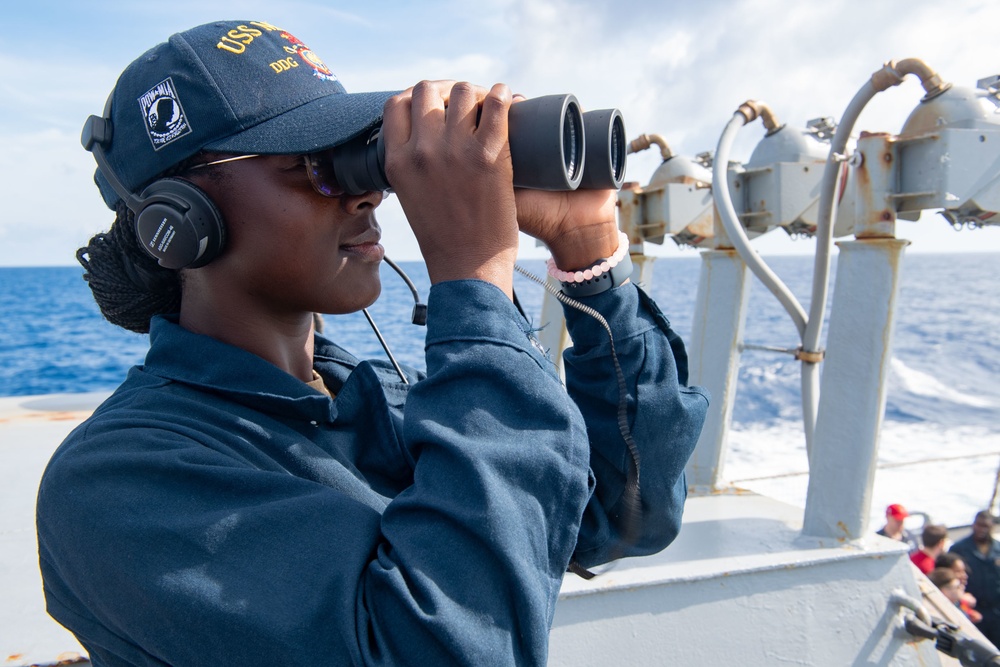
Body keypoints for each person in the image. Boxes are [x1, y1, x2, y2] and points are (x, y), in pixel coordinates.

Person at [34, 19, 709, 666]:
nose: (367, 198)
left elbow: (624, 516)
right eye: (317, 166)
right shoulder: (117, 480)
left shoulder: (377, 397)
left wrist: (589, 256)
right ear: (177, 221)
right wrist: (473, 282)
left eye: (362, 160)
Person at [951, 511, 1000, 647]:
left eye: (986, 526)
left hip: (997, 612)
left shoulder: (998, 548)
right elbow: (949, 578)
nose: (981, 530)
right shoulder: (959, 549)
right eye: (979, 525)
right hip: (972, 611)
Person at [937, 552, 983, 624]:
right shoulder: (937, 600)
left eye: (964, 571)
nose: (964, 576)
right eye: (958, 571)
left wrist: (969, 613)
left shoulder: (959, 601)